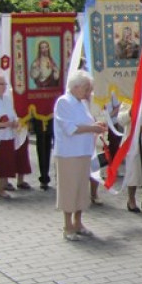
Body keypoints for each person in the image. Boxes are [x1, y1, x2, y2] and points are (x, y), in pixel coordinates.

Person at [53, 71, 107, 241]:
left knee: (81, 189)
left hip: (84, 151)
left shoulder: (81, 103)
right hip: (69, 153)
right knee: (69, 188)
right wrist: (92, 128)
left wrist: (95, 125)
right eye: (86, 88)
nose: (88, 92)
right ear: (75, 87)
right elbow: (70, 128)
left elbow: (85, 123)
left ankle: (78, 222)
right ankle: (67, 225)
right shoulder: (64, 102)